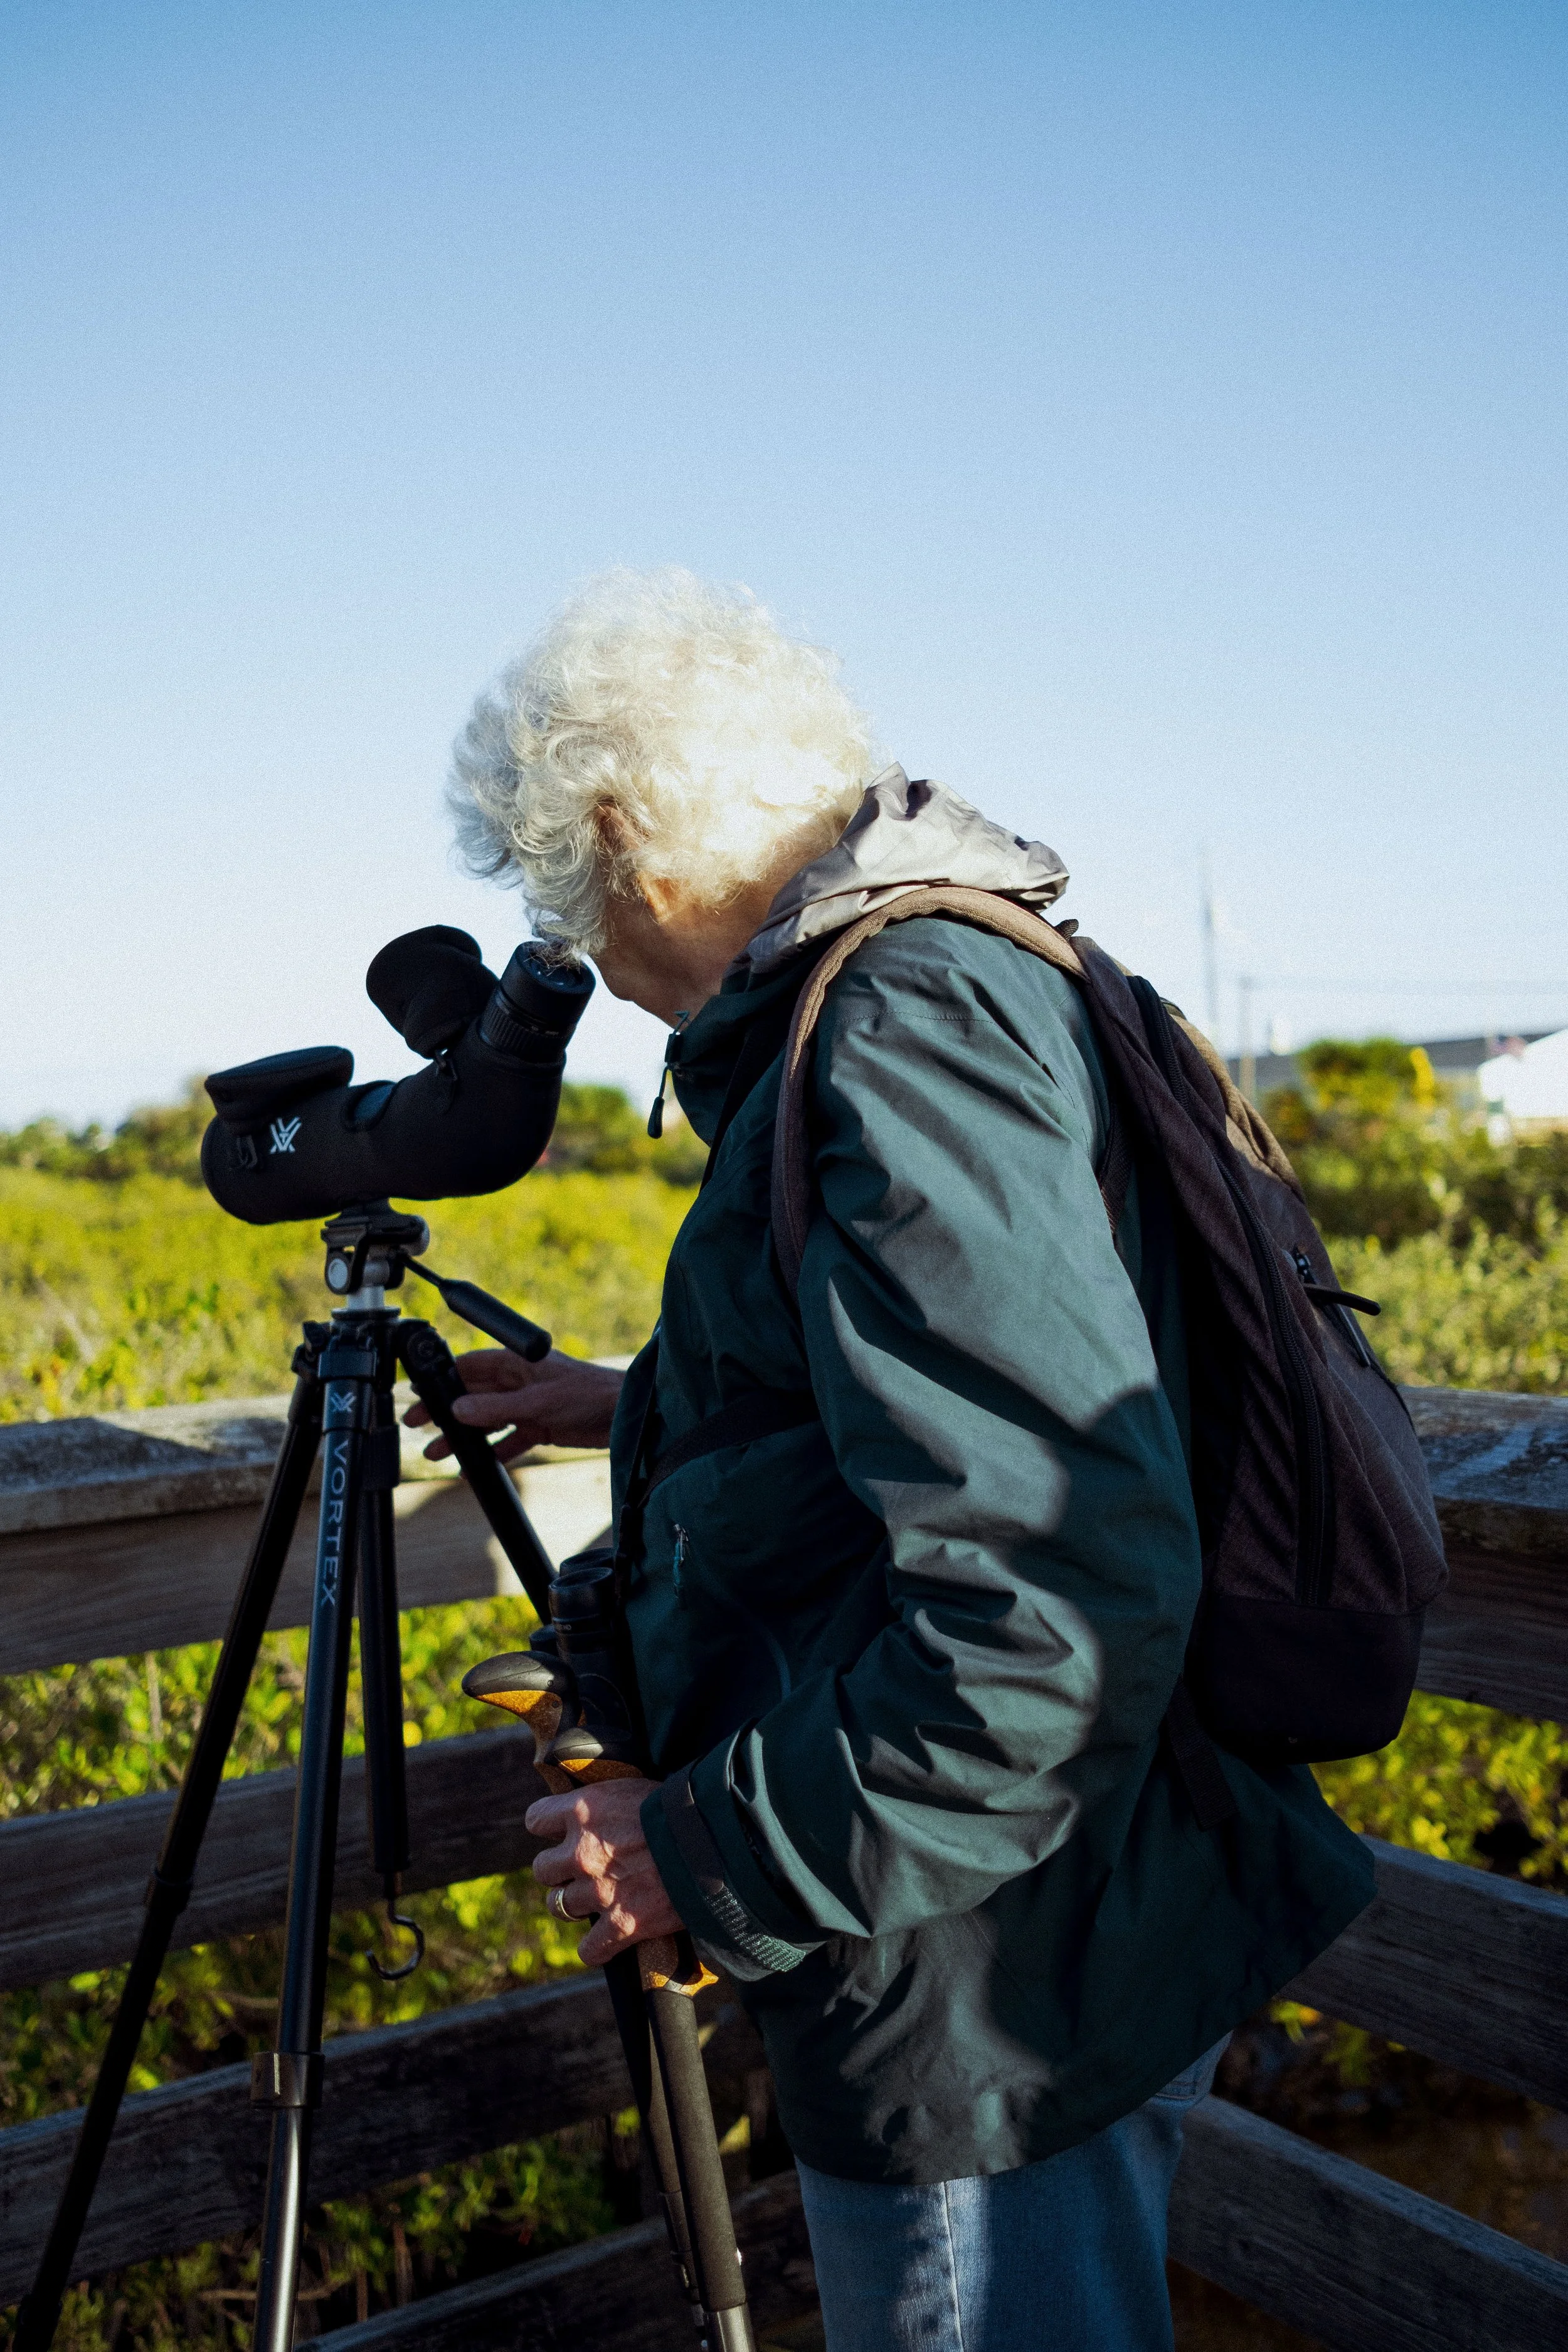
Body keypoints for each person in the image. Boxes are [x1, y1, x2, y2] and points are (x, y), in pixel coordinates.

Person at [408, 568, 1373, 2352]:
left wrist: (700, 1857)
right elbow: (960, 1388)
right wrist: (640, 1400)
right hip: (1023, 1902)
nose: (585, 951)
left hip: (991, 1969)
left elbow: (1049, 1602)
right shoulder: (936, 971)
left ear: (623, 833)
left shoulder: (898, 1018)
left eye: (563, 886)